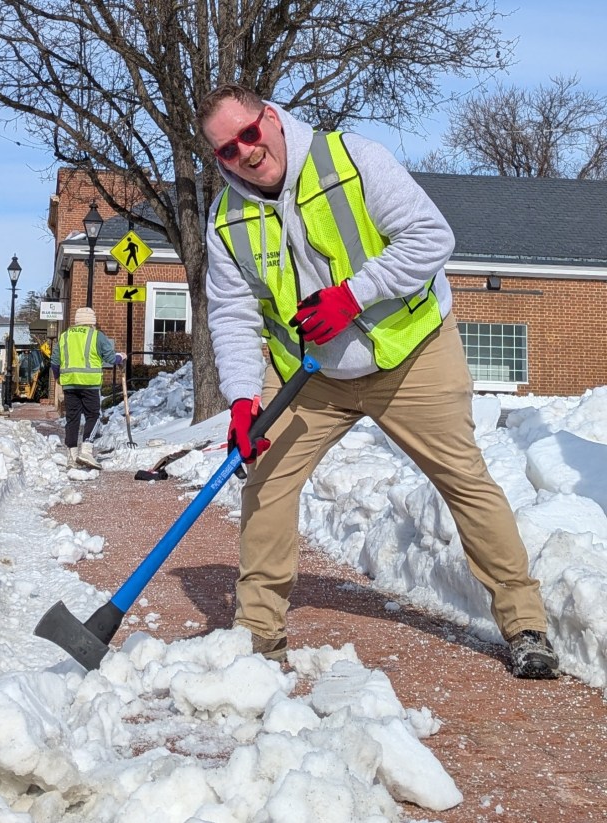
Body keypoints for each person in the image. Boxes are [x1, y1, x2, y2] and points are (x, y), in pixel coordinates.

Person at [195, 83, 559, 679]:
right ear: (218, 160)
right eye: (227, 150)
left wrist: (353, 296)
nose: (246, 153)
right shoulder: (225, 220)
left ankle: (525, 624)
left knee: (464, 479)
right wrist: (241, 399)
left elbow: (431, 238)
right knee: (265, 485)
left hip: (411, 354)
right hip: (310, 377)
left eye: (249, 134)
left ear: (271, 120)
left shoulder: (352, 159)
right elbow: (232, 315)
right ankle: (259, 637)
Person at [50, 306, 124, 469]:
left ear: (76, 322)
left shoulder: (64, 337)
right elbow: (111, 358)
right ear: (92, 322)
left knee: (72, 418)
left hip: (69, 383)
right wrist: (121, 356)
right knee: (93, 416)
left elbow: (55, 362)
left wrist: (58, 378)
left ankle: (72, 456)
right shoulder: (96, 336)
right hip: (89, 383)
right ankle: (87, 450)